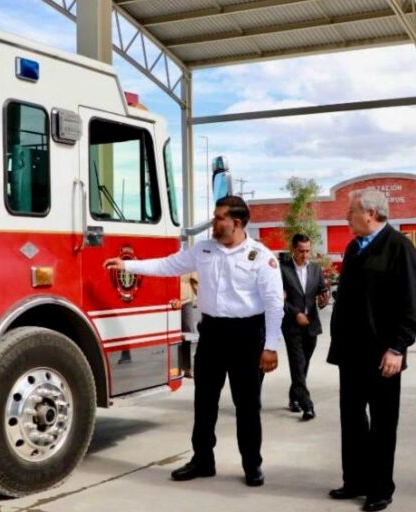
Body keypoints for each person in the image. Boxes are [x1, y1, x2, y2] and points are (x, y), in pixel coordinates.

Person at [104, 196, 283, 487]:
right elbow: (167, 265)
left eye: (219, 218)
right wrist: (129, 266)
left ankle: (252, 464)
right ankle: (203, 460)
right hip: (212, 333)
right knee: (204, 402)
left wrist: (271, 346)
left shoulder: (261, 257)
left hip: (247, 336)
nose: (214, 222)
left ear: (236, 223)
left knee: (247, 406)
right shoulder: (203, 249)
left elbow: (275, 305)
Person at [327, 189, 416, 512]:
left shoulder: (399, 247)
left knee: (382, 424)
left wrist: (398, 347)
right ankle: (354, 480)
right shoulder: (354, 247)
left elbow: (412, 303)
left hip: (384, 356)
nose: (346, 217)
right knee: (352, 420)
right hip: (351, 354)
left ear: (369, 213)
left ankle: (380, 488)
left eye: (351, 211)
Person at [280, 234, 329, 421]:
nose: (305, 255)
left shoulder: (316, 269)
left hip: (312, 325)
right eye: (301, 251)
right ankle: (307, 405)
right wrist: (295, 313)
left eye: (307, 251)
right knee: (298, 364)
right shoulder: (283, 270)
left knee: (304, 364)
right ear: (293, 249)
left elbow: (321, 292)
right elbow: (278, 299)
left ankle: (294, 397)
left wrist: (324, 300)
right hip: (292, 326)